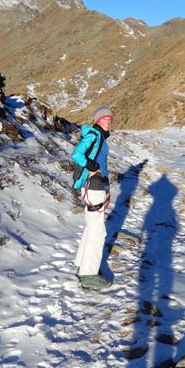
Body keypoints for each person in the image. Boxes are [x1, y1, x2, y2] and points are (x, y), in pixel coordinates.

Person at [72, 105, 114, 289]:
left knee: (91, 227)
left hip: (98, 185)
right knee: (98, 231)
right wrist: (92, 167)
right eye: (104, 119)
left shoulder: (100, 137)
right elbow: (77, 154)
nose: (108, 121)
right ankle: (89, 274)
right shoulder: (94, 135)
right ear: (97, 120)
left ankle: (81, 264)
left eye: (110, 119)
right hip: (94, 186)